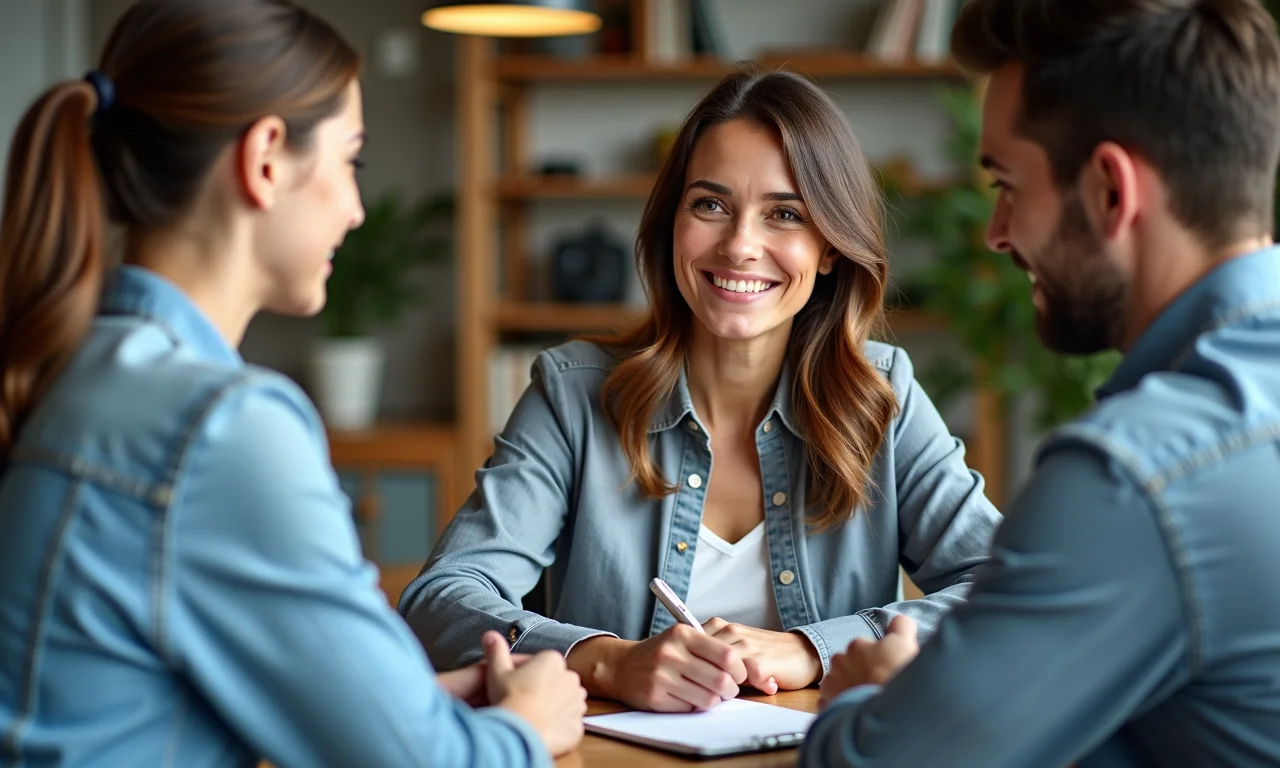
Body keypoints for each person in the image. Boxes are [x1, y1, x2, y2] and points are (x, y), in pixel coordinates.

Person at [0, 1, 587, 766]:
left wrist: (417, 707)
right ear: (266, 158)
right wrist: (529, 723)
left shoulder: (77, 368)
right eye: (350, 162)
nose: (357, 210)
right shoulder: (220, 427)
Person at [399, 67, 1003, 714]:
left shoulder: (884, 398)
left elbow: (1005, 589)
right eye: (710, 205)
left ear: (829, 248)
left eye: (785, 214)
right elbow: (441, 599)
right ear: (672, 225)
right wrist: (607, 660)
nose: (740, 245)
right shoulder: (573, 396)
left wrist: (813, 649)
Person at [803, 0, 1280, 765]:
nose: (996, 233)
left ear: (1110, 191)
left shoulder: (1133, 480)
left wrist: (877, 696)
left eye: (1008, 185)